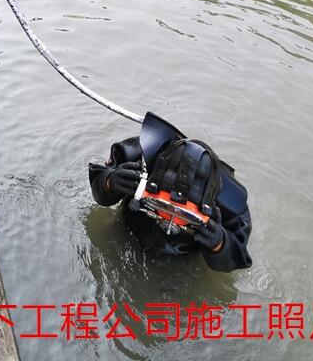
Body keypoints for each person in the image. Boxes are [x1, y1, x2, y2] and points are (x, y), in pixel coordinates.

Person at [89, 112, 252, 272]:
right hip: (128, 230)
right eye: (162, 205)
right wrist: (109, 182)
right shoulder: (138, 156)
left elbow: (238, 258)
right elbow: (99, 190)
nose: (170, 219)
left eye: (184, 213)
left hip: (181, 260)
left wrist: (219, 244)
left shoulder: (232, 205)